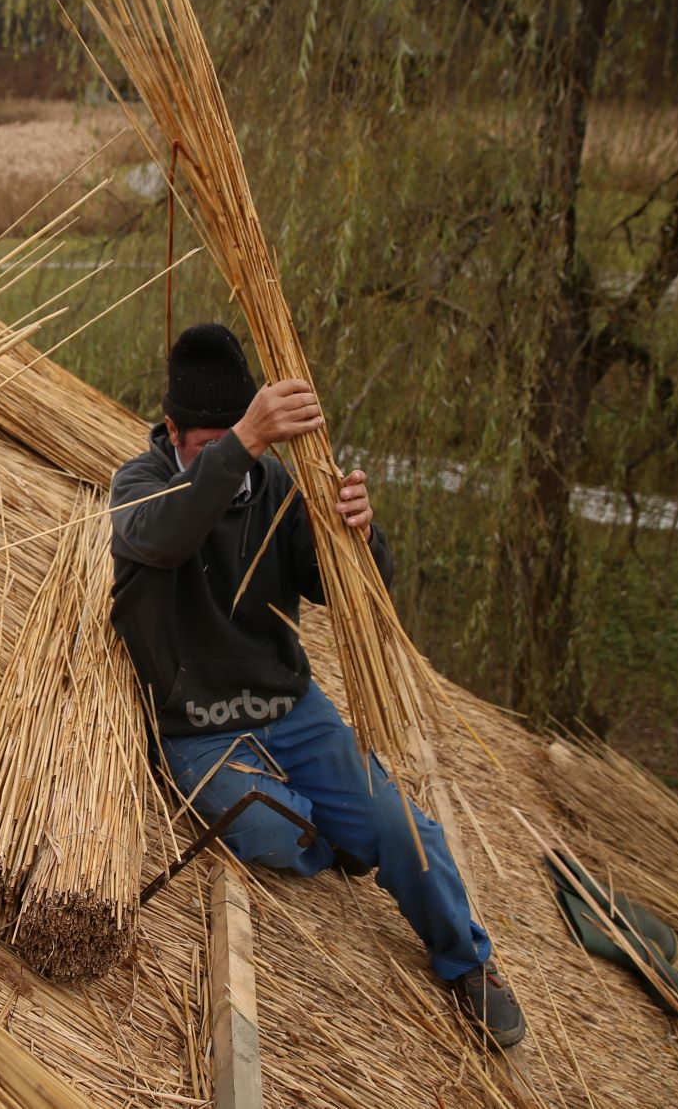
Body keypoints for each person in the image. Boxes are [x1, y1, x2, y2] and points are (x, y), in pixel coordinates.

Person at [109, 323, 525, 1048]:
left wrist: (359, 539)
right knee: (268, 830)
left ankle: (468, 960)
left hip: (289, 710)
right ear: (170, 431)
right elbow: (164, 535)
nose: (231, 466)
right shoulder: (140, 488)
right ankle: (327, 838)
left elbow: (350, 594)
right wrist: (238, 444)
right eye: (210, 447)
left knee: (404, 829)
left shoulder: (273, 483)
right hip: (197, 723)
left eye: (242, 447)